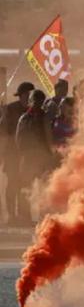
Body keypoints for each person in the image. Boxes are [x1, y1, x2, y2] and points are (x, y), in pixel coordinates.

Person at [14, 90, 53, 225]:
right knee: (29, 187)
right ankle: (30, 216)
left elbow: (18, 137)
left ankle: (37, 216)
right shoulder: (31, 117)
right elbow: (19, 138)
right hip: (34, 156)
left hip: (34, 156)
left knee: (37, 187)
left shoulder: (28, 117)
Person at [0, 82, 34, 224]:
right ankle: (11, 215)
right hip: (12, 152)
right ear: (21, 95)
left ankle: (24, 215)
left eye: (30, 95)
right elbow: (3, 131)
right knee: (13, 183)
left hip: (27, 154)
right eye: (26, 94)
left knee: (26, 184)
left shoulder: (34, 110)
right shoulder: (10, 109)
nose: (28, 97)